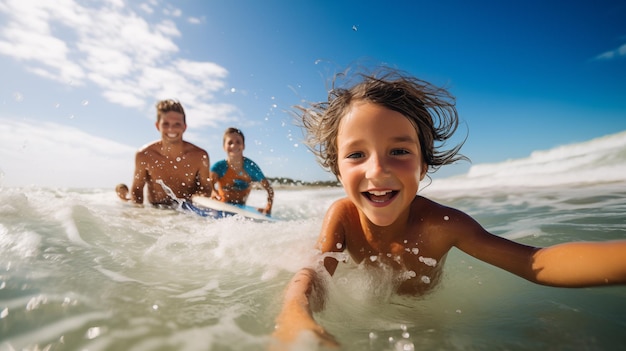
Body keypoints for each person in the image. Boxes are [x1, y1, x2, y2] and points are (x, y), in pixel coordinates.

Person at [271, 67, 626, 348]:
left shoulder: (442, 224)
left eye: (399, 151)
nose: (377, 170)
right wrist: (295, 319)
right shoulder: (343, 215)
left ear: (423, 165)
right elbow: (315, 275)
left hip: (424, 316)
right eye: (356, 155)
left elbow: (533, 262)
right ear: (338, 170)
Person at [116, 99, 212, 206]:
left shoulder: (199, 156)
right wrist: (138, 216)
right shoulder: (144, 155)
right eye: (166, 124)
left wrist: (198, 198)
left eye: (177, 124)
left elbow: (206, 189)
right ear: (157, 126)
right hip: (157, 212)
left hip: (188, 214)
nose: (171, 129)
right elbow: (137, 190)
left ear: (184, 127)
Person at [209, 127, 274, 215]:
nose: (233, 145)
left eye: (238, 142)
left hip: (241, 208)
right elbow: (207, 183)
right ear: (224, 147)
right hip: (221, 206)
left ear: (243, 146)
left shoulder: (251, 167)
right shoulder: (218, 167)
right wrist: (212, 191)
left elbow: (269, 189)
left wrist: (268, 208)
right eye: (230, 142)